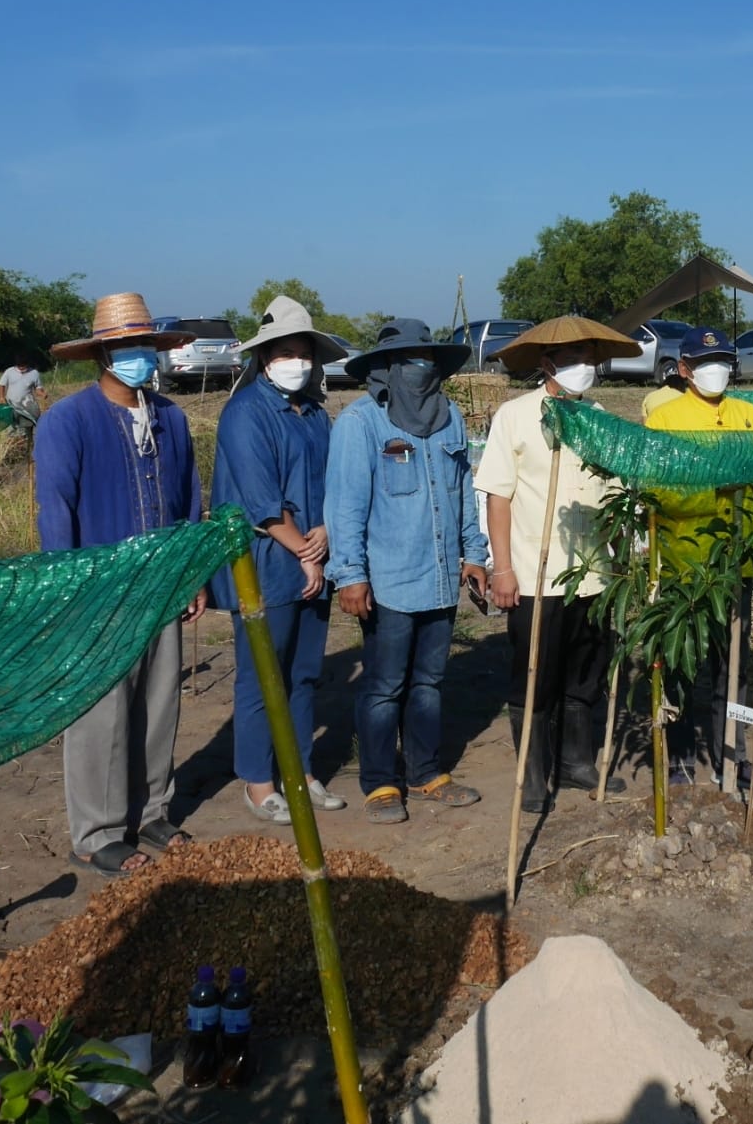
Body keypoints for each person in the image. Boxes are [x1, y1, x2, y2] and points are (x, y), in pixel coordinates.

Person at [36, 293, 206, 877]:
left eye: (145, 347)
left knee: (160, 704)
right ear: (102, 354)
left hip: (162, 585)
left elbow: (190, 505)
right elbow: (55, 510)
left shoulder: (171, 419)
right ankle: (97, 831)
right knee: (101, 714)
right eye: (125, 348)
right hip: (99, 591)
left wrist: (192, 575)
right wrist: (67, 590)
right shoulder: (68, 420)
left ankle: (152, 810)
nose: (138, 357)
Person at [326, 318, 489, 824]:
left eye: (427, 361)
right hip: (390, 580)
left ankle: (424, 772)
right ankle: (379, 782)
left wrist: (474, 554)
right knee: (384, 685)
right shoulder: (360, 424)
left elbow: (463, 491)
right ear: (386, 370)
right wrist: (350, 575)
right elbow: (346, 506)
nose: (421, 370)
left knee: (428, 683)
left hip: (440, 578)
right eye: (409, 362)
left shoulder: (452, 418)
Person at [480, 316, 642, 812]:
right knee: (535, 673)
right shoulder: (516, 415)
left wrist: (622, 560)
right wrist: (501, 568)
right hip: (535, 571)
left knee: (586, 671)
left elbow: (617, 494)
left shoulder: (599, 417)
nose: (584, 369)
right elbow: (498, 496)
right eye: (573, 361)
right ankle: (534, 771)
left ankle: (575, 760)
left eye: (590, 360)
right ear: (548, 364)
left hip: (592, 572)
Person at [210, 296, 350, 824]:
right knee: (262, 673)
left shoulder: (315, 414)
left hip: (314, 553)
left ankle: (301, 771)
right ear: (264, 357)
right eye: (287, 352)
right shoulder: (245, 413)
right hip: (269, 563)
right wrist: (306, 554)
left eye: (305, 353)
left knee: (305, 672)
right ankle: (258, 781)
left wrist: (327, 532)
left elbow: (333, 483)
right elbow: (260, 502)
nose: (299, 362)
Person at [646, 327, 753, 804]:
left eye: (722, 360)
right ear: (683, 369)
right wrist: (716, 481)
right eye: (704, 362)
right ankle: (679, 754)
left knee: (734, 668)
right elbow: (658, 489)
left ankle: (734, 755)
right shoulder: (664, 419)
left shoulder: (748, 415)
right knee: (683, 663)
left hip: (735, 564)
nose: (715, 369)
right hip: (685, 563)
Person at [0, 356, 46, 442]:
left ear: (28, 364)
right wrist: (1, 397)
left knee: (24, 430)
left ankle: (25, 446)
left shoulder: (34, 373)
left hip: (25, 407)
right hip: (11, 405)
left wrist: (42, 394)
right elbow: (1, 384)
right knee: (11, 428)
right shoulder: (9, 371)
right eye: (19, 366)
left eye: (24, 366)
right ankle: (11, 445)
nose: (22, 368)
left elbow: (38, 389)